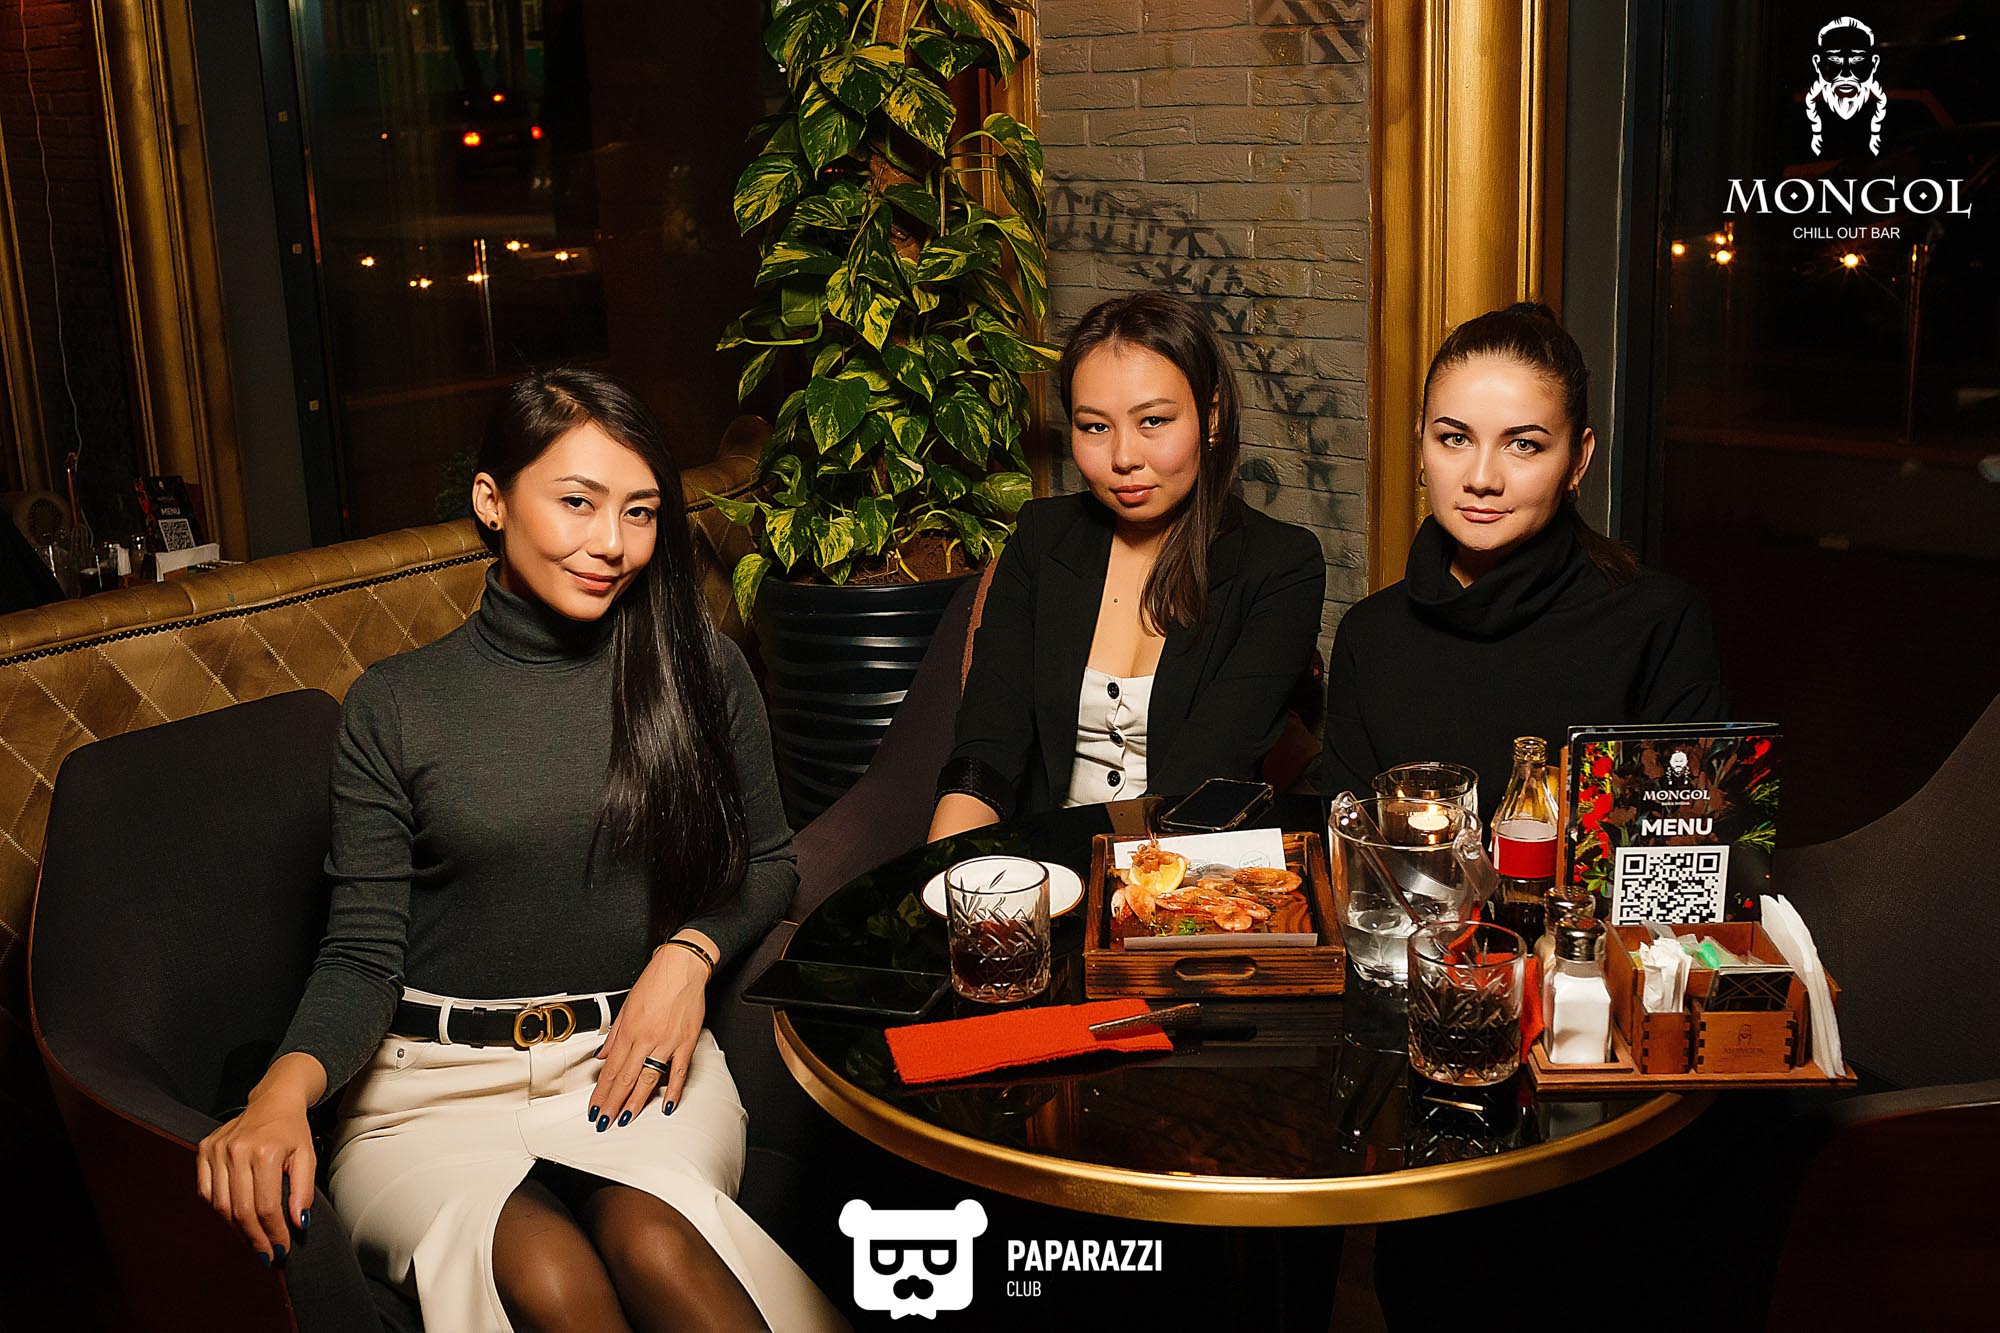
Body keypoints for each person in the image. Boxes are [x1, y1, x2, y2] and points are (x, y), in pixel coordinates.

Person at [196, 369, 842, 1332]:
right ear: (491, 501)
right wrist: (280, 1093)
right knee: (550, 1279)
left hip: (632, 1063)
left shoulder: (700, 667)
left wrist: (690, 954)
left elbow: (770, 861)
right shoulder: (395, 705)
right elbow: (362, 954)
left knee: (658, 1246)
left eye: (639, 512)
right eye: (577, 502)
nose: (612, 543)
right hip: (429, 1091)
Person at [929, 292, 1325, 839]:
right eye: (1095, 427)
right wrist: (944, 874)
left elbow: (1205, 772)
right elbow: (987, 749)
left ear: (1210, 418)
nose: (1123, 458)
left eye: (1153, 421)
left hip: (1182, 859)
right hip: (1042, 862)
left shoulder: (1280, 566)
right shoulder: (1041, 539)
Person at [1319, 301, 1726, 817]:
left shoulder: (1660, 622)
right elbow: (1355, 846)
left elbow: (1686, 836)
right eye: (1455, 439)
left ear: (1578, 459)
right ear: (1421, 443)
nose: (1481, 478)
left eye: (1524, 445)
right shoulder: (1369, 635)